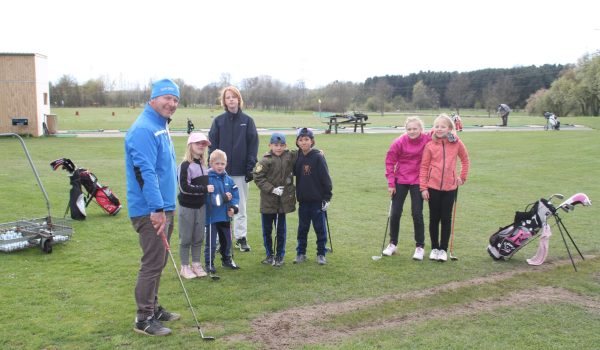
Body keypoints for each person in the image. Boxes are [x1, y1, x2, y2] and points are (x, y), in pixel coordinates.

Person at [125, 78, 181, 336]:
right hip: (151, 211)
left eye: (175, 100)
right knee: (151, 263)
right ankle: (143, 318)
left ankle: (154, 307)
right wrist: (157, 209)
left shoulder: (159, 125)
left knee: (159, 261)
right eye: (167, 98)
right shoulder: (144, 129)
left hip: (164, 206)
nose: (172, 103)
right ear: (153, 99)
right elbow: (143, 171)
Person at [208, 86, 259, 252]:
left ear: (239, 100)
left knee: (240, 206)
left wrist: (250, 168)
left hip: (240, 172)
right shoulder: (218, 122)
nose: (231, 100)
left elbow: (253, 146)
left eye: (233, 97)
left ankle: (241, 237)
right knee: (217, 204)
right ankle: (215, 239)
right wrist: (213, 166)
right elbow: (212, 146)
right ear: (224, 101)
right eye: (227, 97)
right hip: (219, 174)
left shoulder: (248, 121)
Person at [420, 114, 470, 262]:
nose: (439, 129)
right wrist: (423, 188)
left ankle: (443, 249)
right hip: (433, 187)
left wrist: (462, 177)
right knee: (434, 219)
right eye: (437, 126)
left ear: (449, 128)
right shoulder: (430, 144)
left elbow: (465, 160)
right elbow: (423, 167)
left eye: (443, 126)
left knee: (446, 219)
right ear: (433, 128)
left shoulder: (456, 143)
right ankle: (434, 248)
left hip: (450, 187)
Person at [384, 117, 431, 261]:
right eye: (409, 129)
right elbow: (390, 162)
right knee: (395, 212)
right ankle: (393, 244)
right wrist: (391, 183)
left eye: (415, 129)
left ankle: (420, 247)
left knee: (417, 213)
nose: (412, 131)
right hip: (401, 179)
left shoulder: (427, 139)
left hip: (418, 180)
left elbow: (441, 132)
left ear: (421, 129)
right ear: (406, 130)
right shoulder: (399, 142)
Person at [253, 132, 297, 267]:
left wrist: (317, 152)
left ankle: (280, 256)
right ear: (270, 145)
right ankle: (269, 254)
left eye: (281, 145)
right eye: (276, 145)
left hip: (282, 203)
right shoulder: (265, 160)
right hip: (268, 202)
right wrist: (272, 189)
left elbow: (303, 153)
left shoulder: (290, 156)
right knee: (267, 230)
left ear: (285, 146)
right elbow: (258, 177)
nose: (278, 148)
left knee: (281, 231)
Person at [293, 128, 333, 265]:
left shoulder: (318, 157)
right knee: (302, 229)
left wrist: (327, 198)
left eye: (306, 139)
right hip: (303, 201)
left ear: (312, 141)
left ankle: (321, 253)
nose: (304, 142)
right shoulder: (296, 157)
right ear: (297, 142)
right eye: (301, 140)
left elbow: (326, 179)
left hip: (317, 201)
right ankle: (301, 253)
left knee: (320, 228)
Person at [177, 132, 212, 279]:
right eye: (198, 143)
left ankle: (196, 264)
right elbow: (184, 187)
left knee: (198, 237)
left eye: (203, 144)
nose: (201, 146)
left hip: (201, 207)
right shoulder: (185, 166)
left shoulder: (204, 166)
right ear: (190, 145)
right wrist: (204, 189)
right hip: (187, 207)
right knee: (186, 238)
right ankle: (185, 266)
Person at [204, 149, 240, 273]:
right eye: (217, 163)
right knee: (211, 243)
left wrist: (234, 207)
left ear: (226, 164)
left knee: (227, 241)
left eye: (222, 164)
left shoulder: (229, 180)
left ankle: (227, 260)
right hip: (212, 216)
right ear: (210, 163)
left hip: (225, 216)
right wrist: (223, 198)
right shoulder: (207, 179)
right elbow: (208, 199)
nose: (220, 166)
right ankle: (209, 263)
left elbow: (235, 195)